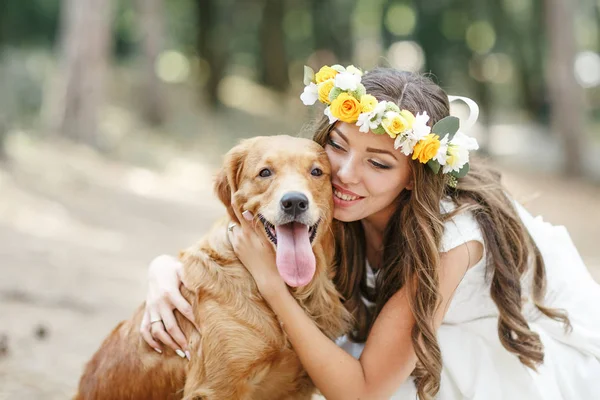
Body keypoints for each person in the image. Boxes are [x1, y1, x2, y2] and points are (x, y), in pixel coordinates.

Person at [139, 66, 600, 399]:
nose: (345, 173)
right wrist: (165, 269)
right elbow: (240, 234)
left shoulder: (455, 237)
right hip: (404, 340)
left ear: (416, 178)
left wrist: (273, 288)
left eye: (379, 163)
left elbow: (363, 391)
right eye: (337, 145)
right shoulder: (324, 195)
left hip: (518, 351)